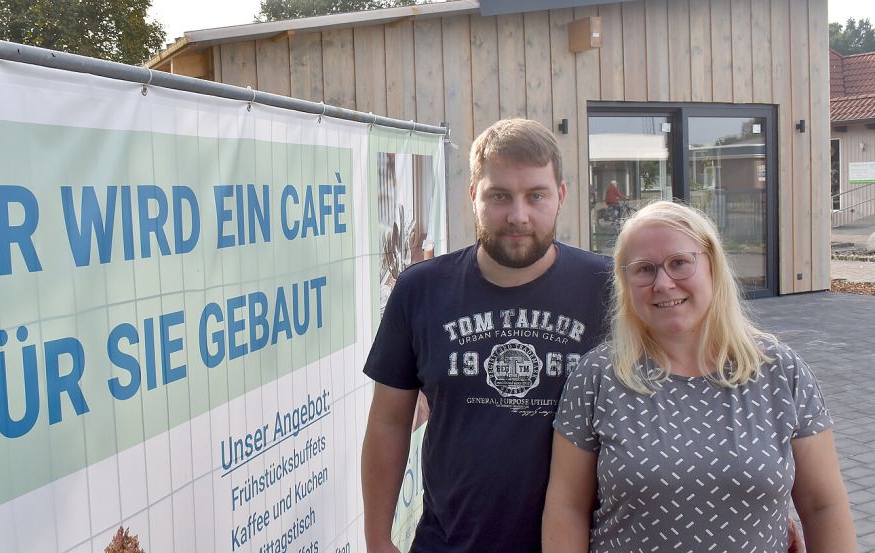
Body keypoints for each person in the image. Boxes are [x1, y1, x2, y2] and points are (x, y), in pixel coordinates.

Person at [542, 201, 856, 552]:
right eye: (644, 269)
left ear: (712, 266)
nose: (663, 283)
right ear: (625, 282)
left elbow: (822, 506)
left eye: (679, 263)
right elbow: (567, 507)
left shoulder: (780, 371)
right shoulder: (598, 377)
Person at [360, 118, 612, 552]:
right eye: (499, 196)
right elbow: (388, 420)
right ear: (473, 194)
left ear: (561, 196)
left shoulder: (607, 289)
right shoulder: (421, 289)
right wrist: (377, 539)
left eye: (536, 195)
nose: (518, 216)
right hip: (451, 541)